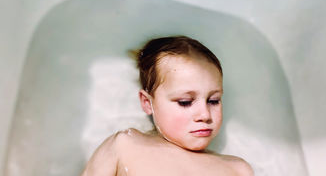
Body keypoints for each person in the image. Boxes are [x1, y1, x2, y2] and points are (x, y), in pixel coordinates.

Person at [81, 35, 254, 176]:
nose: (205, 115)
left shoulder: (237, 169)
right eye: (185, 102)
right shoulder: (124, 146)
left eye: (213, 100)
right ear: (148, 103)